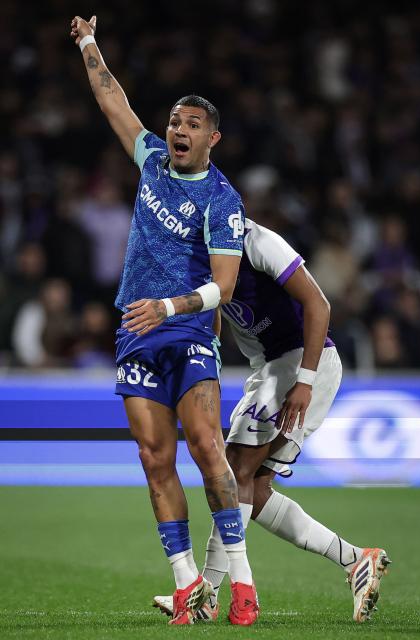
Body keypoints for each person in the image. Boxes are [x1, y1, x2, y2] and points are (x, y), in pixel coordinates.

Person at [70, 15, 258, 626]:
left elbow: (225, 287)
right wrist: (89, 44)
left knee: (207, 449)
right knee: (155, 460)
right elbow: (111, 100)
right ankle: (186, 590)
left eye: (192, 125)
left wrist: (170, 308)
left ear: (213, 140)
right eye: (175, 121)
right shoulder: (151, 160)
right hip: (136, 331)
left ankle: (242, 585)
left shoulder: (221, 200)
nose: (178, 130)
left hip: (186, 331)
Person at [151, 219, 391, 623]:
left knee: (233, 471)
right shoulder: (201, 256)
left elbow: (319, 305)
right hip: (269, 369)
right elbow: (215, 315)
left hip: (301, 363)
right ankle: (356, 560)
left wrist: (305, 381)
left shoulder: (256, 241)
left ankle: (206, 594)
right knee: (254, 489)